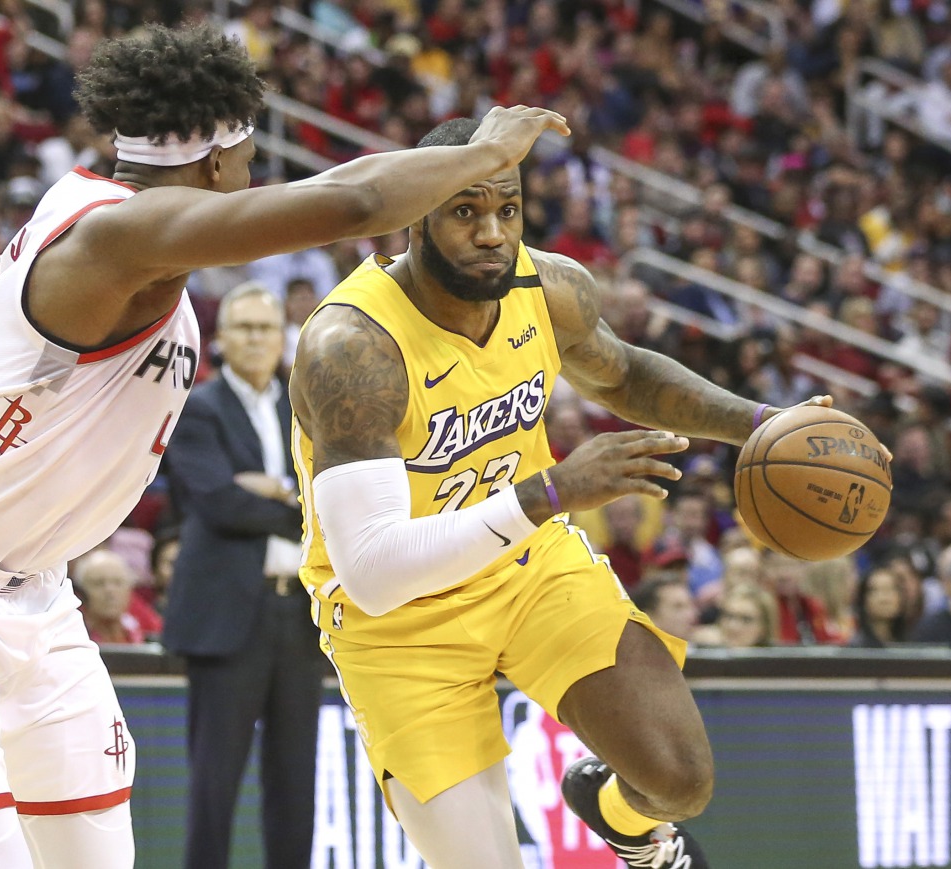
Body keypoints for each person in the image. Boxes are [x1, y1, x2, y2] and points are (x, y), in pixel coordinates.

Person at [0, 24, 569, 869]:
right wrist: (488, 150)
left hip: (34, 592)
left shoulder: (84, 219)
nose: (249, 182)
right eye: (247, 163)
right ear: (218, 163)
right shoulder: (124, 235)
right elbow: (355, 203)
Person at [289, 116, 832, 869]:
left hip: (528, 567)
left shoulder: (548, 288)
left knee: (680, 778)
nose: (491, 233)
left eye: (506, 210)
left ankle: (619, 818)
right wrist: (552, 490)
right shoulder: (352, 346)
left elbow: (628, 374)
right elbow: (375, 573)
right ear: (416, 215)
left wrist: (766, 423)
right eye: (463, 211)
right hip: (400, 624)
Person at [160, 281, 324, 869]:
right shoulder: (195, 407)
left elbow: (328, 504)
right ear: (221, 340)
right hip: (226, 615)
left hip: (299, 618)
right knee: (214, 784)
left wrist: (271, 491)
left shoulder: (304, 409)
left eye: (266, 328)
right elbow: (218, 504)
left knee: (294, 782)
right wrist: (294, 501)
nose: (257, 339)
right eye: (245, 328)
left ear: (282, 338)